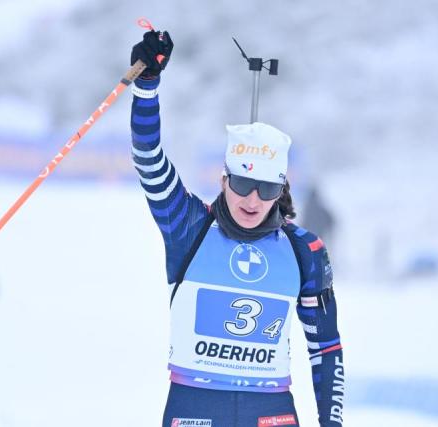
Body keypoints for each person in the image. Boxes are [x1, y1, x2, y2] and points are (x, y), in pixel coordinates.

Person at [128, 31, 345, 426]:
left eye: (266, 189)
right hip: (195, 408)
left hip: (270, 412)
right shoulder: (189, 225)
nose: (252, 200)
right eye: (243, 185)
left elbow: (326, 349)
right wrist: (147, 86)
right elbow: (148, 159)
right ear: (225, 180)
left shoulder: (304, 250)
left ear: (281, 191)